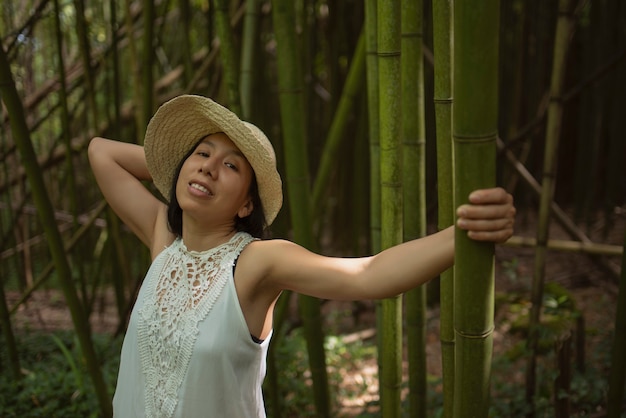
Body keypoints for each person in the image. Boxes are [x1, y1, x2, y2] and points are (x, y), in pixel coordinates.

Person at [88, 94, 515, 418]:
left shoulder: (254, 264)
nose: (208, 167)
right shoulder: (164, 241)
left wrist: (462, 233)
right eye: (202, 154)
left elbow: (369, 273)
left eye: (232, 166)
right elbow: (100, 151)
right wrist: (175, 163)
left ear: (246, 206)